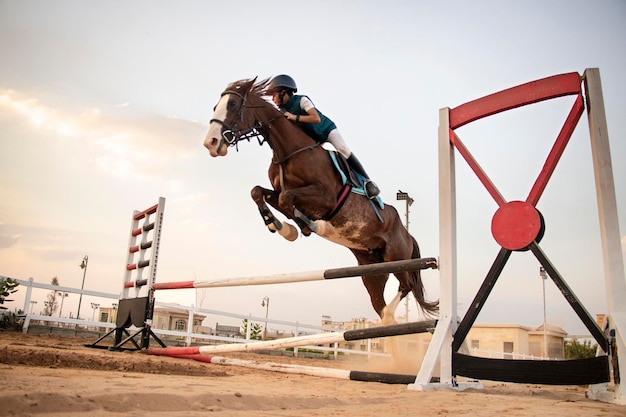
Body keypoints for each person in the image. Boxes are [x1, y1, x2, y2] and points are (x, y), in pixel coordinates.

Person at [267, 74, 380, 199]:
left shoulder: (302, 100)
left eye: (274, 94)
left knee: (343, 149)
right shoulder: (283, 110)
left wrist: (295, 117)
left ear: (284, 91)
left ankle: (368, 183)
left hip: (326, 129)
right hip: (312, 137)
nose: (273, 99)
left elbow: (316, 118)